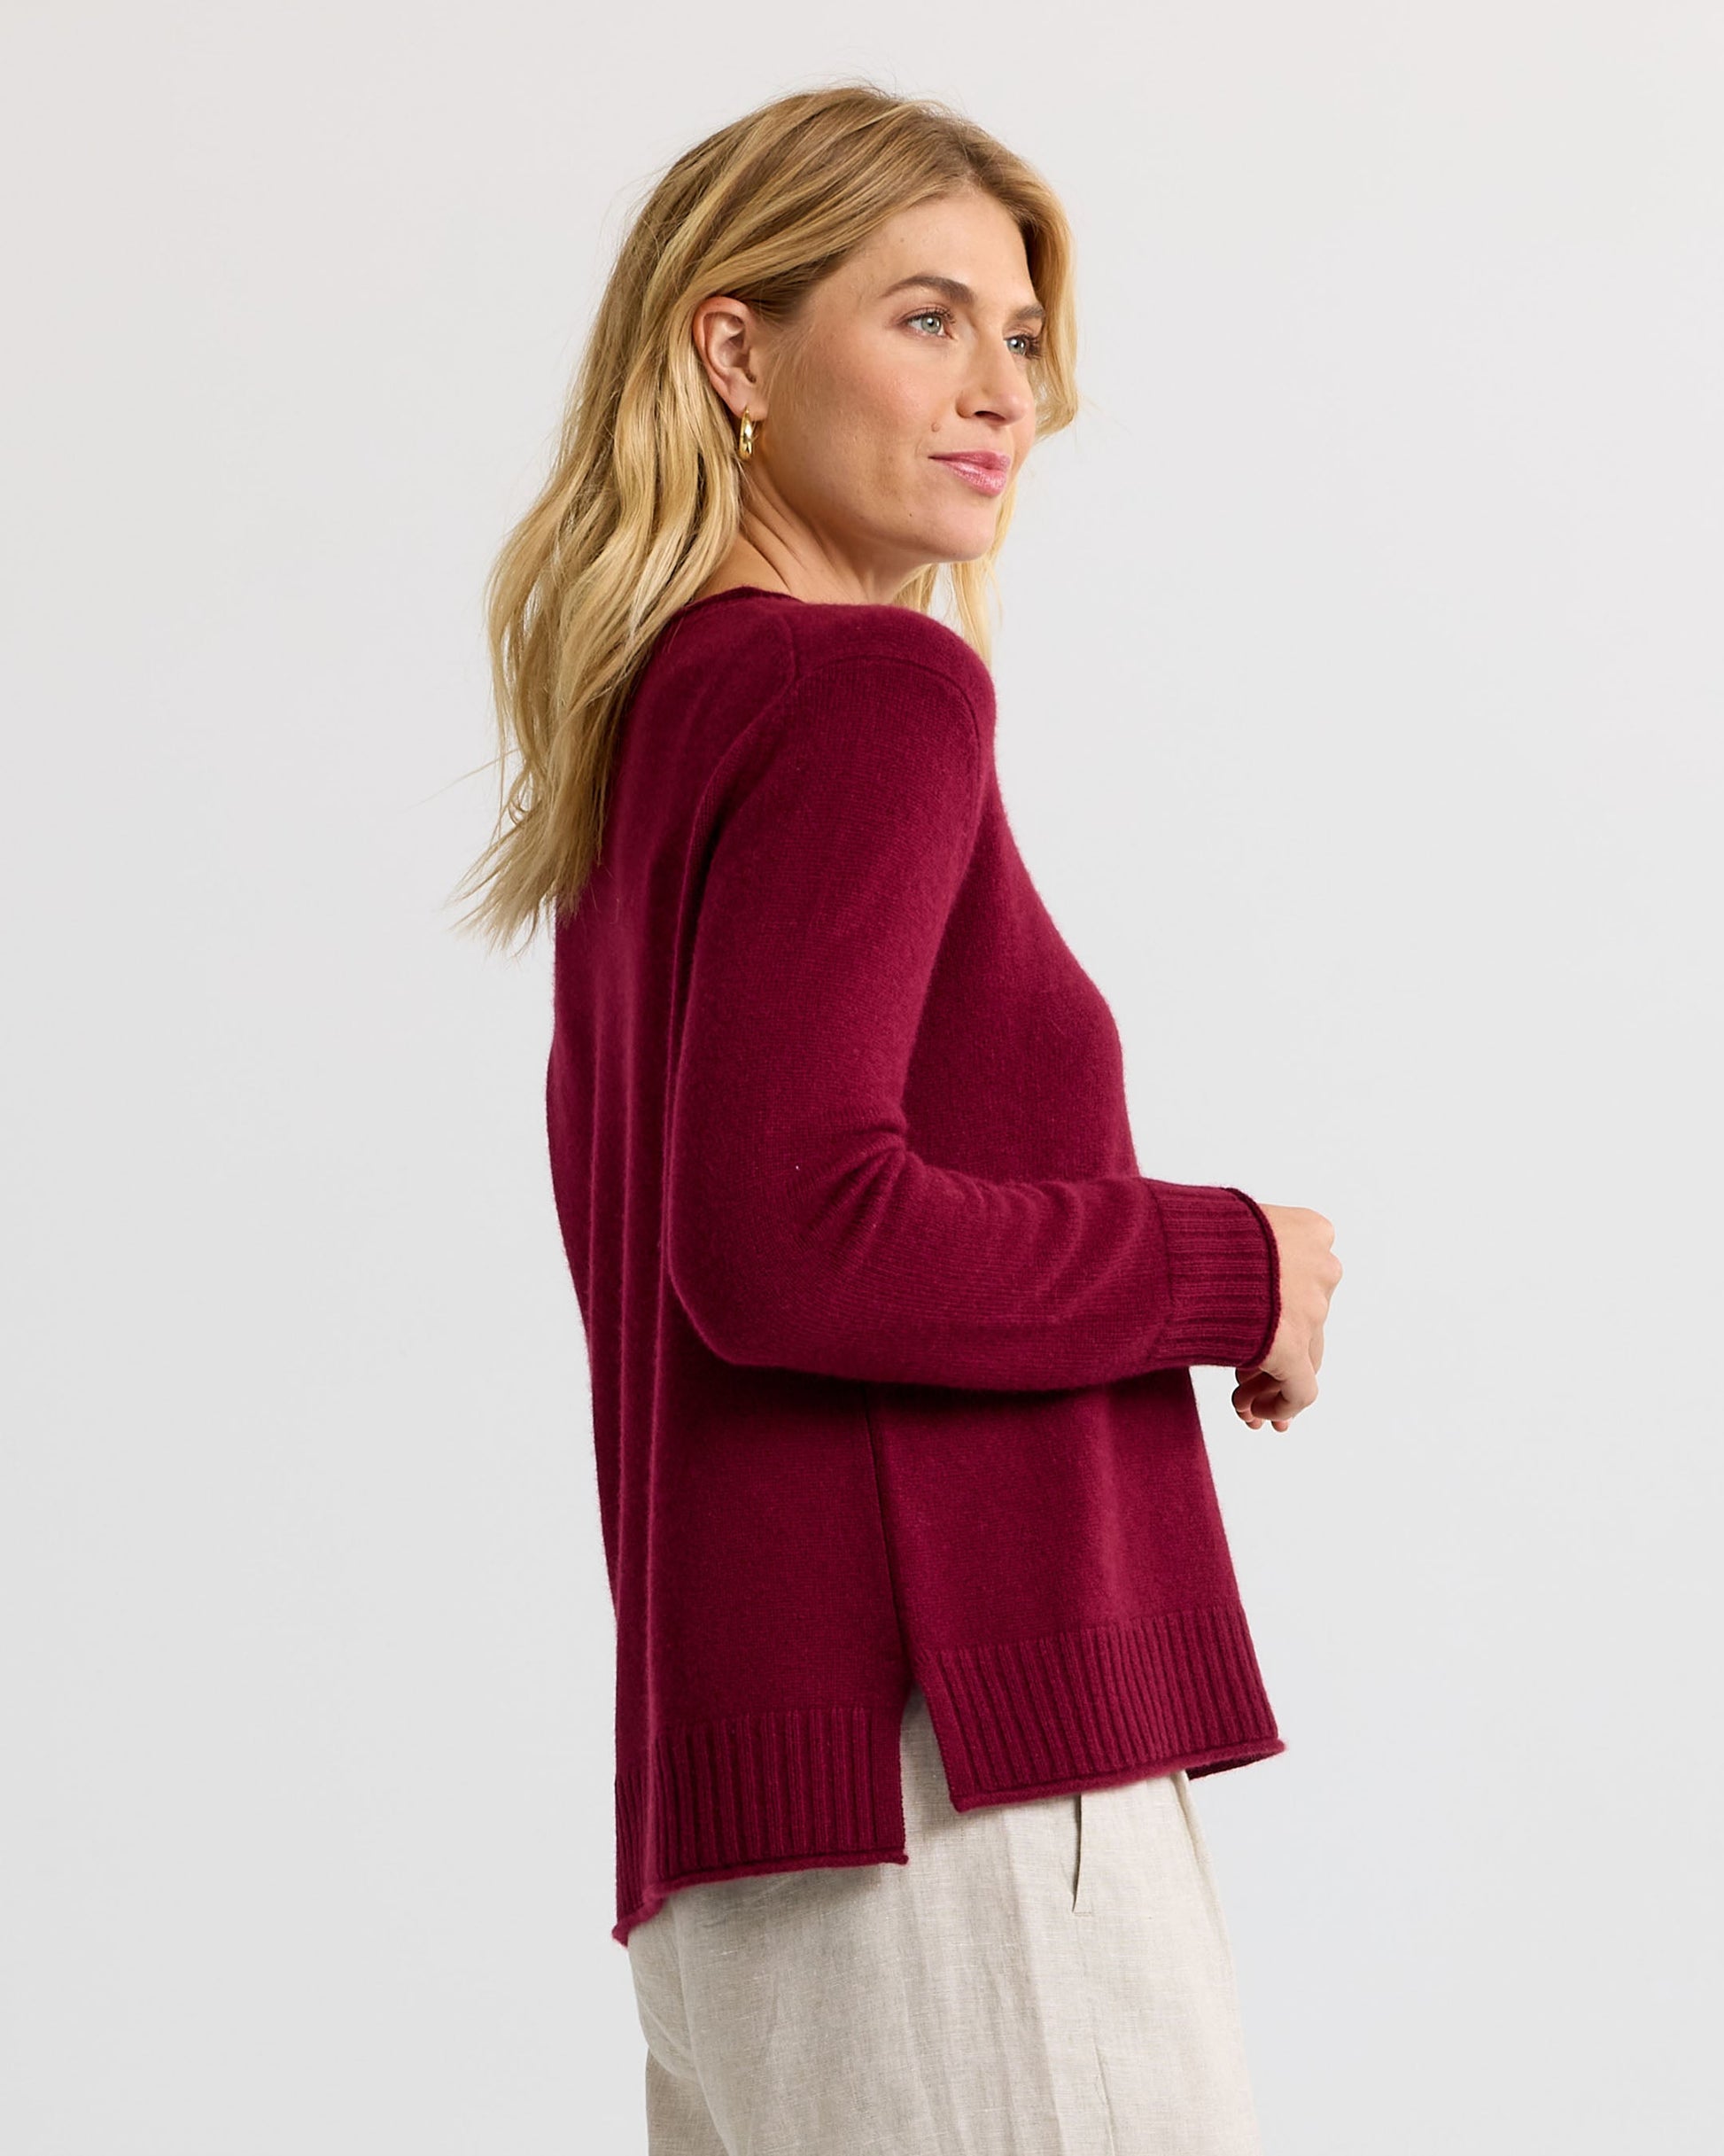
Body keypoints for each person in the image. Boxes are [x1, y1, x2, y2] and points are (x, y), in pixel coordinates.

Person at [454, 78, 1341, 2156]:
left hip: (769, 1838)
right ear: (736, 350)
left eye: (1018, 334)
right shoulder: (871, 693)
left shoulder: (668, 721)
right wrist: (1237, 1262)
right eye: (925, 318)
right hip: (959, 1792)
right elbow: (785, 1235)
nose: (1001, 390)